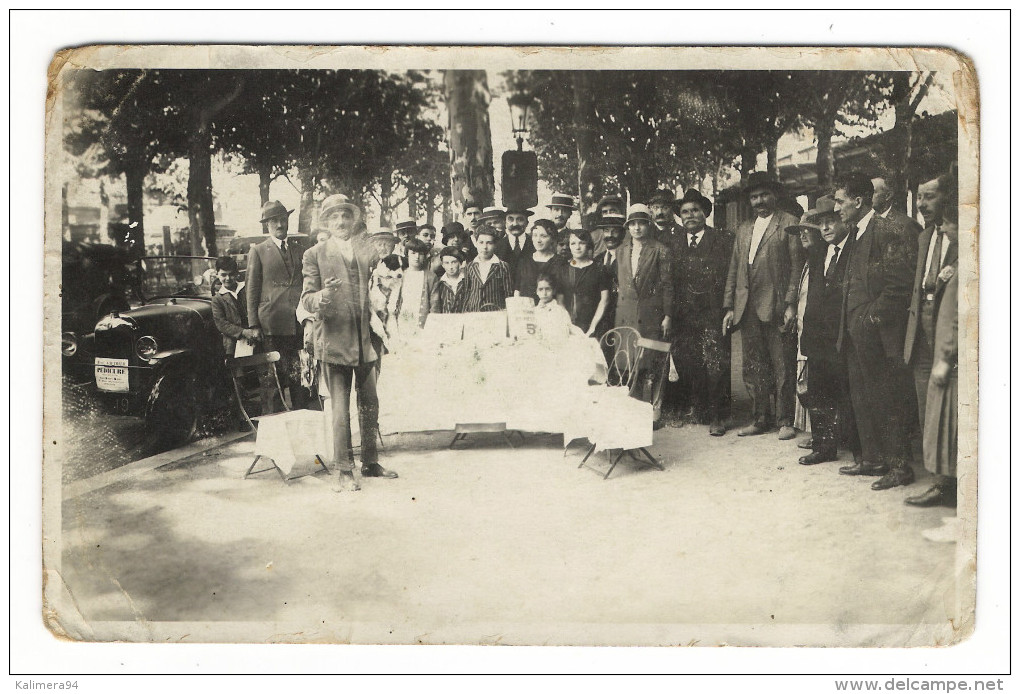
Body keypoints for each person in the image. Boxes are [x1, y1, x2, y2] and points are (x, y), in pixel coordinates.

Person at [300, 194, 397, 492]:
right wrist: (324, 296)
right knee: (340, 409)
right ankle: (343, 468)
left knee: (370, 402)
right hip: (334, 338)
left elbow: (381, 280)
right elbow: (307, 298)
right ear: (326, 223)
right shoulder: (314, 254)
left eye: (345, 216)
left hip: (365, 337)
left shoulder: (365, 250)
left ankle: (370, 462)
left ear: (351, 220)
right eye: (334, 217)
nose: (341, 222)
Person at [833, 172, 914, 491]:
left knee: (886, 398)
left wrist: (869, 320)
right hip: (855, 334)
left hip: (876, 336)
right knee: (862, 397)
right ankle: (872, 459)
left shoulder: (884, 231)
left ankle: (900, 466)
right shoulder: (855, 233)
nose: (837, 208)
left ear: (858, 201)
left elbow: (898, 287)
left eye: (840, 201)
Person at [722, 172, 803, 440]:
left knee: (783, 366)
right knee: (754, 365)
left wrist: (791, 303)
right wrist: (730, 306)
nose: (759, 201)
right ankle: (760, 418)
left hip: (777, 306)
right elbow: (734, 270)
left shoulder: (789, 223)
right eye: (754, 196)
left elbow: (796, 268)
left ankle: (785, 420)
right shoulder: (744, 229)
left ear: (774, 195)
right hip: (747, 308)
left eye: (764, 195)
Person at [788, 197, 861, 466]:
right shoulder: (819, 255)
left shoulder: (853, 249)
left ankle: (858, 451)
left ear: (845, 221)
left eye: (832, 221)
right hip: (817, 339)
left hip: (842, 338)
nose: (827, 227)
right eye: (822, 223)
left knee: (847, 394)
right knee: (819, 393)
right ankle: (823, 446)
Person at [904, 171, 958, 508]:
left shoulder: (966, 235)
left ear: (947, 198)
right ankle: (939, 479)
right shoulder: (925, 237)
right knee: (928, 407)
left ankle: (951, 482)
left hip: (949, 336)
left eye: (930, 197)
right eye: (919, 197)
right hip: (921, 334)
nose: (922, 204)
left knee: (953, 409)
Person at [670, 189, 733, 437]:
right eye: (685, 212)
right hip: (685, 314)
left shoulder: (723, 240)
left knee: (715, 362)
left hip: (712, 311)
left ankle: (719, 415)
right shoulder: (674, 243)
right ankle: (700, 409)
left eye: (695, 210)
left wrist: (728, 308)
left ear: (705, 213)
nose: (690, 215)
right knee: (691, 362)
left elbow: (731, 276)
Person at [246, 199, 310, 411]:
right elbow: (252, 289)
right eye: (274, 222)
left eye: (283, 220)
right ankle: (274, 434)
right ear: (267, 225)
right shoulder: (258, 251)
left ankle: (301, 425)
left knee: (299, 378)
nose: (280, 225)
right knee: (273, 383)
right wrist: (254, 324)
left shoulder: (299, 249)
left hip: (297, 324)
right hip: (271, 326)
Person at [615, 204, 673, 424]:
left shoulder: (660, 250)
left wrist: (668, 315)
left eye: (641, 223)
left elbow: (668, 285)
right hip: (626, 313)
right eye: (632, 224)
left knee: (650, 361)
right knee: (628, 363)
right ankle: (632, 409)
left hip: (651, 312)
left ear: (648, 225)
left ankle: (653, 410)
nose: (637, 228)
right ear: (628, 226)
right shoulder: (621, 250)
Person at [563, 229, 611, 338]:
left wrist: (592, 327)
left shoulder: (599, 269)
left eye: (582, 243)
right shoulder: (563, 269)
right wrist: (567, 325)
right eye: (573, 243)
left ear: (588, 245)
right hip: (568, 325)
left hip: (593, 325)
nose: (577, 247)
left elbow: (605, 300)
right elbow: (560, 300)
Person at [211, 256, 257, 356]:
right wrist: (243, 332)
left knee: (261, 366)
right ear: (217, 274)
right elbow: (221, 324)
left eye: (231, 274)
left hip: (255, 336)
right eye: (223, 275)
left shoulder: (247, 289)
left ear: (237, 274)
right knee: (238, 368)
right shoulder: (217, 299)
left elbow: (258, 307)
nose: (227, 278)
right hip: (234, 343)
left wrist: (255, 329)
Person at [514, 218, 568, 303]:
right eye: (535, 235)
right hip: (527, 312)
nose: (538, 240)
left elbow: (561, 294)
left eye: (543, 236)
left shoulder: (560, 262)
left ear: (552, 239)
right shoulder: (524, 261)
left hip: (550, 312)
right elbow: (517, 291)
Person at [464, 225, 514, 312]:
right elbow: (467, 293)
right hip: (474, 314)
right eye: (481, 242)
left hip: (495, 314)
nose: (485, 247)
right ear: (476, 244)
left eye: (489, 243)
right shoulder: (470, 266)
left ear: (495, 245)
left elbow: (508, 294)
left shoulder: (503, 266)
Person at [592, 212, 626, 336]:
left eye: (614, 231)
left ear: (622, 233)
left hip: (623, 317)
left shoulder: (629, 258)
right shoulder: (597, 260)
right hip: (601, 319)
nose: (610, 235)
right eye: (606, 231)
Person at [395, 238, 439, 330]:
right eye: (413, 253)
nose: (417, 257)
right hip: (403, 322)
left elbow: (435, 305)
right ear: (407, 254)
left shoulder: (431, 277)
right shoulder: (401, 275)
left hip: (422, 325)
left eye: (421, 254)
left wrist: (432, 326)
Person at [493, 207, 535, 278]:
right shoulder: (497, 246)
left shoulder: (534, 244)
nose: (515, 224)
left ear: (527, 223)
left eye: (520, 219)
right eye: (511, 219)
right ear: (505, 223)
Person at [533, 272, 573, 339]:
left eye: (547, 289)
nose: (544, 293)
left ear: (553, 291)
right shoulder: (533, 311)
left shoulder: (561, 312)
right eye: (540, 289)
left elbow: (565, 334)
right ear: (537, 291)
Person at [432, 247, 470, 314]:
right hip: (446, 321)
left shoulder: (468, 281)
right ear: (442, 264)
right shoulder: (439, 283)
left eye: (454, 262)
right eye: (447, 263)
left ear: (459, 263)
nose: (450, 267)